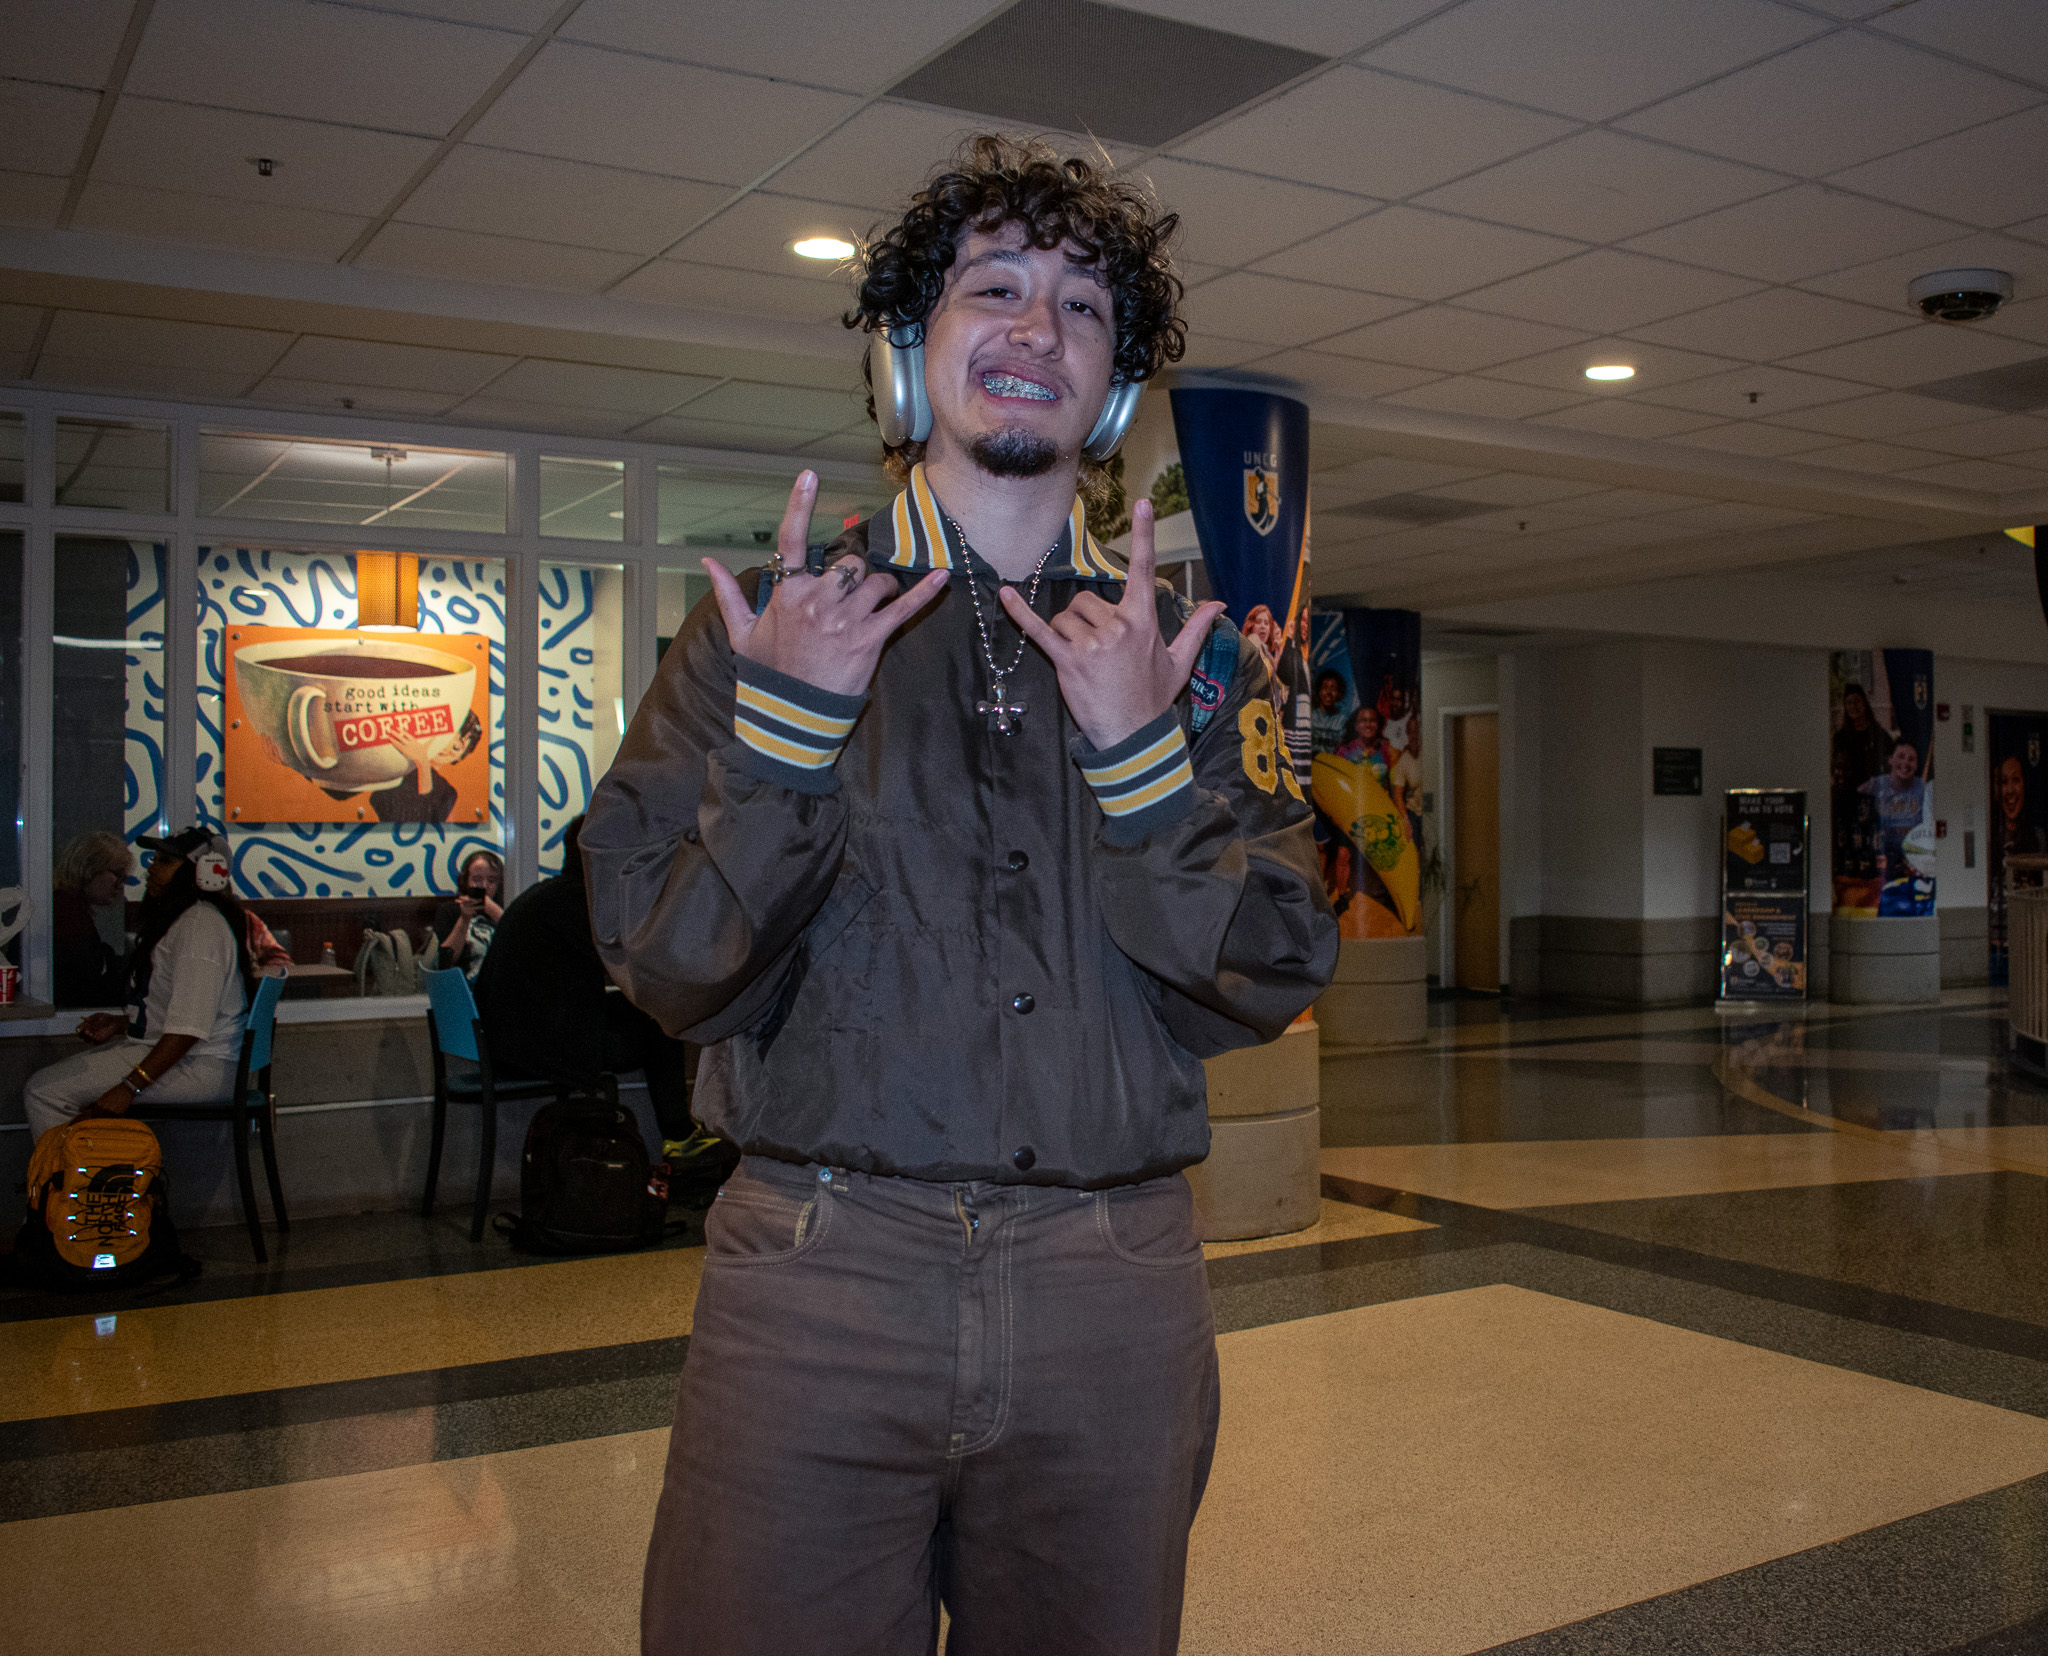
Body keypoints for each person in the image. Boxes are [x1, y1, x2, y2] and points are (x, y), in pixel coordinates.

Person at [582, 135, 1335, 1655]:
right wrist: (790, 736)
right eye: (994, 288)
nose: (1036, 330)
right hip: (818, 1274)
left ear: (1113, 394)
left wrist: (1139, 763)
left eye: (1081, 308)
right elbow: (668, 966)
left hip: (1109, 1289)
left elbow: (1268, 969)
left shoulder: (1194, 660)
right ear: (908, 361)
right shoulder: (767, 633)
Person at [472, 815, 731, 1187]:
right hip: (538, 1051)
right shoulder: (581, 905)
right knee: (660, 1024)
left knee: (645, 1017)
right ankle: (677, 1135)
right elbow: (632, 968)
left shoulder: (546, 897)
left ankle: (679, 1134)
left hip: (514, 1043)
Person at [23, 828, 252, 1143]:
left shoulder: (200, 926)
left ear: (206, 871)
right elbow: (177, 1011)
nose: (152, 868)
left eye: (166, 861)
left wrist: (128, 1087)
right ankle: (90, 1179)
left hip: (202, 1065)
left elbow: (188, 1030)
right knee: (51, 1084)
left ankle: (77, 1187)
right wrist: (123, 1023)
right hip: (191, 1057)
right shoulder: (187, 919)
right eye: (155, 859)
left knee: (44, 1091)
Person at [52, 831, 131, 1008]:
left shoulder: (68, 907)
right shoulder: (66, 913)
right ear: (89, 869)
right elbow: (84, 982)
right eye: (118, 874)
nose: (120, 885)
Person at [1858, 739, 1928, 883]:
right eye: (1901, 757)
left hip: (1913, 862)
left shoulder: (1923, 787)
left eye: (1911, 759)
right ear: (1891, 760)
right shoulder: (1875, 785)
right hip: (1881, 863)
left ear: (1916, 765)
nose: (1905, 764)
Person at [432, 848, 503, 978]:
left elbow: (525, 946)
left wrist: (497, 914)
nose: (484, 886)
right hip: (462, 985)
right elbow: (445, 961)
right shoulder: (449, 910)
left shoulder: (505, 909)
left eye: (491, 881)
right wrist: (464, 919)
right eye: (477, 879)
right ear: (466, 881)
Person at [1311, 669, 1347, 752]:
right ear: (1319, 691)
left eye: (1333, 689)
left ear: (1338, 693)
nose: (1329, 692)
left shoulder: (1343, 721)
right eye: (1325, 688)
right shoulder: (1310, 717)